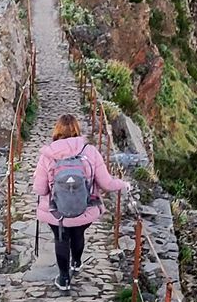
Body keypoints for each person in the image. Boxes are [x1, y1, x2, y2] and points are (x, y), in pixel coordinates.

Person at [34, 114, 131, 292]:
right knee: (78, 234)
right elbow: (107, 183)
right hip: (83, 210)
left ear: (56, 131)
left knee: (61, 238)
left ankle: (64, 279)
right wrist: (124, 185)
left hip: (57, 213)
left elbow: (40, 190)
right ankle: (76, 262)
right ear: (77, 130)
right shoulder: (90, 152)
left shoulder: (47, 155)